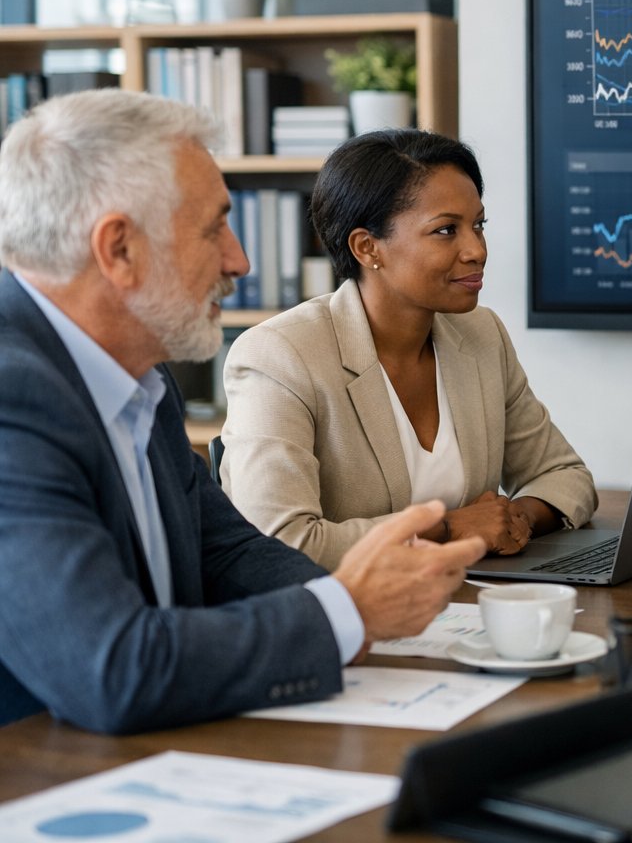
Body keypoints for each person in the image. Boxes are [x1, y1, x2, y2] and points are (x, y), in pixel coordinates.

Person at [0, 90, 486, 734]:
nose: (240, 261)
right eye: (212, 229)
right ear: (118, 249)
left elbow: (226, 552)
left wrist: (368, 604)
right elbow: (110, 667)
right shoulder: (14, 397)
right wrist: (346, 612)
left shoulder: (139, 375)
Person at [220, 129, 596, 571]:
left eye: (478, 225)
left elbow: (565, 476)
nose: (477, 250)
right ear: (367, 248)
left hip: (466, 607)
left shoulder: (480, 334)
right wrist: (449, 529)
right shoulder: (280, 357)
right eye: (445, 231)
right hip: (349, 623)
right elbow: (282, 542)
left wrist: (514, 519)